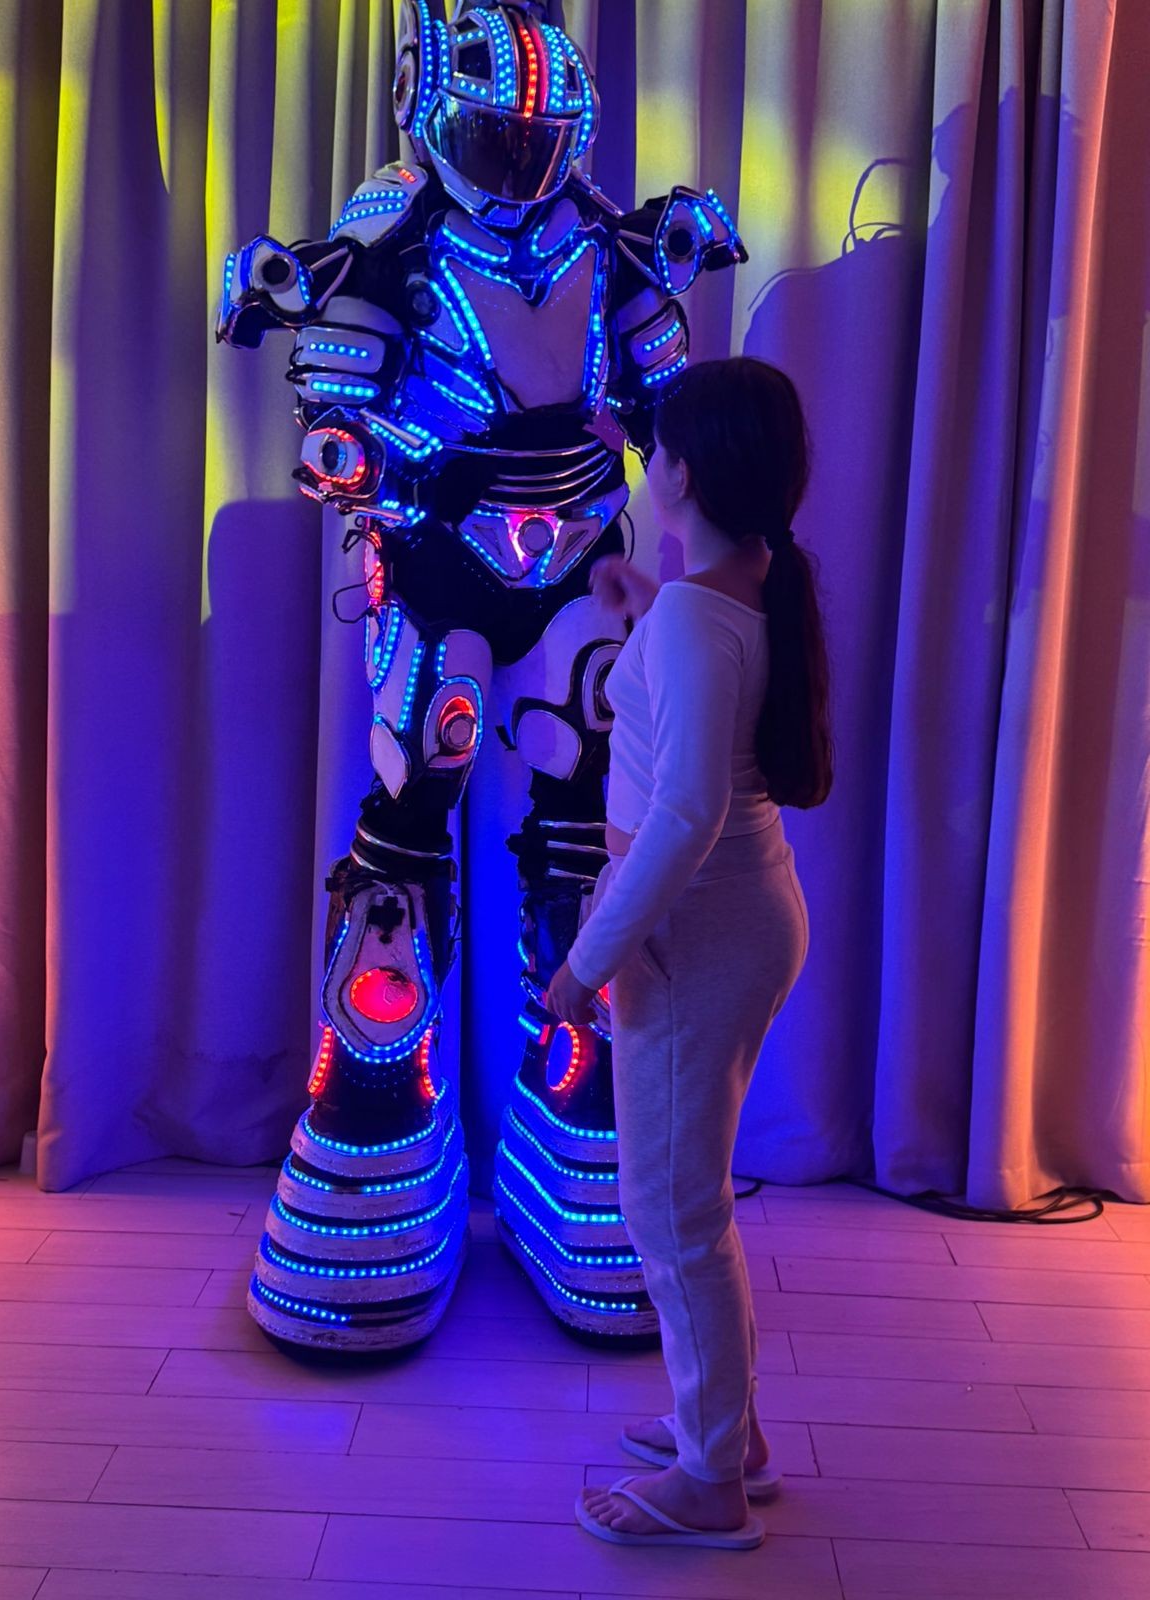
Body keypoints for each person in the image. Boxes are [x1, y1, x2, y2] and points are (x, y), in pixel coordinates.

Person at [545, 355, 834, 1550]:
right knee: (684, 1200)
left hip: (691, 932)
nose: (645, 461)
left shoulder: (693, 620)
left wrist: (586, 960)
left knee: (670, 1211)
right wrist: (643, 604)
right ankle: (729, 1433)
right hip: (740, 920)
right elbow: (695, 686)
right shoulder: (742, 581)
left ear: (683, 474)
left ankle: (714, 1478)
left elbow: (683, 815)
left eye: (654, 447)